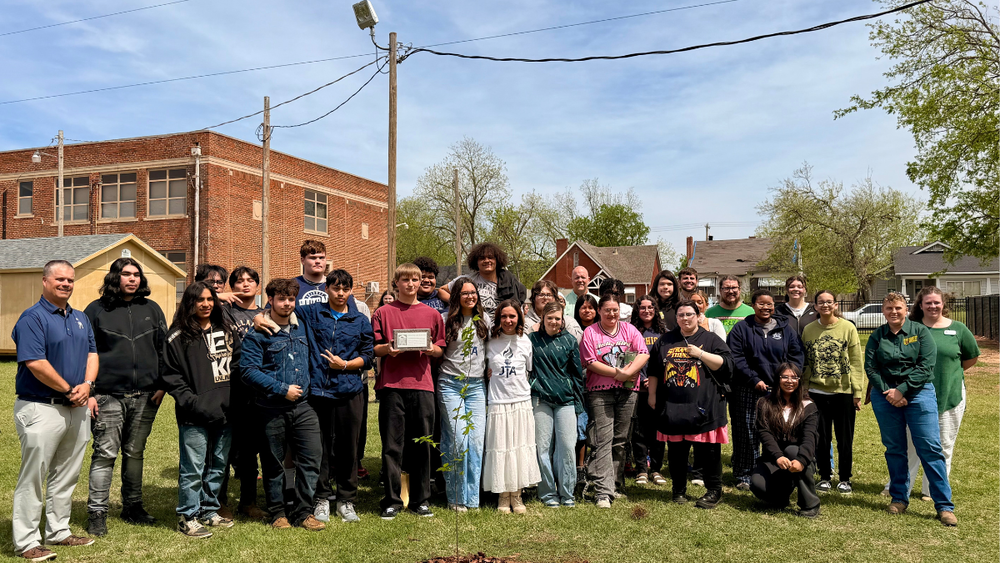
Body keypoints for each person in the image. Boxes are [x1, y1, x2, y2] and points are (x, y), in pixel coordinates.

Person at [12, 260, 99, 561]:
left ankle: (58, 531)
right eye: (60, 279)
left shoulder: (80, 318)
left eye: (70, 280)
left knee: (66, 474)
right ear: (45, 281)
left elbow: (92, 353)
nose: (66, 284)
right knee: (33, 476)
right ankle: (26, 541)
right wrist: (68, 389)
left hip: (76, 407)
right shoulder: (31, 318)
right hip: (41, 407)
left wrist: (87, 385)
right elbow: (36, 363)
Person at [84, 258, 168, 537]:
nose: (132, 279)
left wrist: (162, 385)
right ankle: (97, 512)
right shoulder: (96, 310)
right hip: (108, 395)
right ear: (114, 277)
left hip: (146, 395)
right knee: (105, 454)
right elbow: (86, 353)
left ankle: (133, 507)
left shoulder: (152, 309)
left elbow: (163, 348)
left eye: (136, 274)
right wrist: (91, 392)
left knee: (134, 453)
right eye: (125, 274)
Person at [875, 289, 973, 523]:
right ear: (883, 311)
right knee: (895, 449)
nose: (894, 311)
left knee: (931, 448)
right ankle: (899, 498)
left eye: (898, 307)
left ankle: (944, 506)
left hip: (919, 394)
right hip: (886, 395)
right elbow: (871, 366)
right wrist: (890, 391)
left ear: (906, 310)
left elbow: (926, 365)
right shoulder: (878, 335)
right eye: (889, 308)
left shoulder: (920, 332)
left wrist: (903, 390)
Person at [239, 279, 325, 531]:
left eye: (290, 299)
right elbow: (247, 371)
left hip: (304, 407)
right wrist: (281, 389)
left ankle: (304, 512)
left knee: (311, 460)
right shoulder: (258, 333)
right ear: (271, 301)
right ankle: (278, 512)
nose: (286, 303)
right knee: (273, 464)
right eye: (281, 299)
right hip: (270, 408)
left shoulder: (303, 327)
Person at [160, 281, 240, 538]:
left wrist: (233, 399)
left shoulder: (227, 330)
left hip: (226, 412)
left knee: (218, 465)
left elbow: (238, 365)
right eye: (200, 299)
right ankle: (188, 515)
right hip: (193, 415)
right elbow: (171, 376)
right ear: (190, 302)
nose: (206, 304)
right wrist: (192, 402)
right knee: (193, 468)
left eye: (210, 299)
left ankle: (208, 509)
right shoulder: (177, 336)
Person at [373, 264, 445, 520]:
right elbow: (376, 347)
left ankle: (421, 500)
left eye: (416, 279)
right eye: (406, 279)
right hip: (393, 386)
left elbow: (440, 349)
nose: (411, 284)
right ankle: (392, 500)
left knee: (423, 444)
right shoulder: (383, 312)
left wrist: (430, 350)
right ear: (396, 282)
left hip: (422, 386)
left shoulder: (432, 314)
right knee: (392, 446)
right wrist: (389, 349)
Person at [646, 299, 733, 509]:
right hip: (673, 406)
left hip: (705, 406)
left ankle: (714, 490)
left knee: (708, 453)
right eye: (680, 315)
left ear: (698, 316)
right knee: (677, 451)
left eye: (689, 314)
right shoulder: (666, 340)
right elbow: (655, 370)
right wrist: (652, 395)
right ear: (675, 318)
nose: (685, 319)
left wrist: (701, 354)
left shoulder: (710, 339)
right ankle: (678, 490)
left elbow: (727, 365)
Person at [727, 289, 804, 490]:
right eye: (761, 304)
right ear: (753, 305)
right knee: (747, 432)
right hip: (748, 388)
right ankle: (745, 474)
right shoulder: (742, 328)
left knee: (777, 431)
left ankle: (775, 470)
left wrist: (787, 379)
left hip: (780, 389)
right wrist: (754, 379)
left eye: (769, 304)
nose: (765, 307)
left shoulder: (786, 329)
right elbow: (736, 358)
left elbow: (797, 356)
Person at [580, 294, 649, 508]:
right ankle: (602, 491)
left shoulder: (629, 330)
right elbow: (590, 361)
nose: (612, 314)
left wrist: (628, 372)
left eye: (615, 310)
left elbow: (643, 353)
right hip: (600, 392)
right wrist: (616, 373)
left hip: (628, 391)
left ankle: (617, 485)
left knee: (620, 439)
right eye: (607, 310)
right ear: (599, 311)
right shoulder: (590, 333)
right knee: (603, 439)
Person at [802, 289, 864, 495]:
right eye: (821, 302)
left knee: (845, 438)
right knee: (821, 437)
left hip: (843, 392)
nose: (826, 305)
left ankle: (845, 478)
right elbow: (806, 363)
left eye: (830, 302)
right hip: (816, 391)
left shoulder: (848, 328)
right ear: (815, 306)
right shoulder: (809, 330)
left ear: (836, 305)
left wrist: (857, 392)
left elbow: (856, 361)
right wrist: (804, 390)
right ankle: (825, 476)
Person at [438, 277, 490, 512]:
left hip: (477, 387)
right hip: (450, 385)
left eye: (473, 292)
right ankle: (455, 497)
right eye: (465, 293)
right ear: (456, 296)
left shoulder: (484, 319)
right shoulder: (444, 319)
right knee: (458, 441)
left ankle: (472, 498)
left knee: (476, 443)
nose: (471, 296)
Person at [483, 299, 540, 514]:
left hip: (521, 401)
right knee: (501, 449)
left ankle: (516, 495)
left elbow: (528, 370)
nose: (508, 320)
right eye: (504, 316)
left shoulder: (526, 341)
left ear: (519, 318)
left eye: (512, 316)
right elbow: (484, 370)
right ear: (498, 318)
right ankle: (502, 495)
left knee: (518, 448)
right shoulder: (490, 342)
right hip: (498, 402)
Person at [530, 302, 586, 508]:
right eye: (550, 318)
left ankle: (567, 493)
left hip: (566, 401)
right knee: (543, 448)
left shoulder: (570, 341)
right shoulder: (532, 340)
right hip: (540, 399)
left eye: (557, 318)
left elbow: (577, 375)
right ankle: (547, 493)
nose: (554, 321)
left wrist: (579, 407)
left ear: (563, 320)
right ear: (542, 319)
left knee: (566, 448)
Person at [220, 266, 264, 520]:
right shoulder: (223, 311)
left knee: (249, 451)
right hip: (227, 387)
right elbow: (192, 305)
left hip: (256, 391)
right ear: (232, 286)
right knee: (223, 449)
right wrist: (218, 297)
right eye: (239, 281)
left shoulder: (265, 313)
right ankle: (219, 502)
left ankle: (248, 502)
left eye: (250, 281)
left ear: (258, 286)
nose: (245, 285)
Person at [750, 363, 821, 518]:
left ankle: (810, 504)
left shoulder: (808, 406)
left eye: (795, 377)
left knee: (792, 450)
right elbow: (764, 433)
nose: (790, 381)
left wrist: (802, 460)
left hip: (800, 456)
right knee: (757, 484)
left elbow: (810, 437)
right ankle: (781, 498)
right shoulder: (764, 403)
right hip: (773, 458)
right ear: (777, 379)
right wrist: (778, 456)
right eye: (785, 377)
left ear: (800, 380)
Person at [628, 296, 668, 487]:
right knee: (639, 431)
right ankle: (641, 469)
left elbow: (667, 360)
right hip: (638, 388)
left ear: (656, 309)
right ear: (637, 310)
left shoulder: (664, 332)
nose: (646, 310)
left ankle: (657, 469)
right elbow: (629, 358)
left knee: (658, 430)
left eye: (650, 307)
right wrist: (642, 377)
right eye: (642, 307)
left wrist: (654, 380)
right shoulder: (630, 331)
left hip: (659, 388)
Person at [440, 242, 526, 322]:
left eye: (490, 257)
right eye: (482, 258)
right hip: (474, 328)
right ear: (476, 262)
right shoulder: (467, 280)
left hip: (500, 329)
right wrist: (458, 302)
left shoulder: (509, 281)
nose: (486, 260)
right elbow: (441, 291)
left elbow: (518, 308)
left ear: (497, 260)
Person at [294, 240, 371, 317]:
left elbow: (351, 316)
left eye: (321, 258)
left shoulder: (337, 285)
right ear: (303, 260)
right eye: (313, 258)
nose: (318, 261)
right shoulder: (292, 285)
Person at [572, 292, 599, 481]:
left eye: (590, 307)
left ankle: (595, 465)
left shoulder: (601, 330)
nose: (587, 310)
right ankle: (579, 466)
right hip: (578, 385)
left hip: (598, 382)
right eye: (583, 307)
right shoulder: (571, 330)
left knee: (596, 426)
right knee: (580, 426)